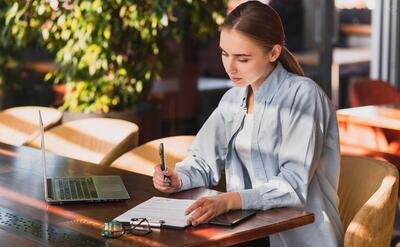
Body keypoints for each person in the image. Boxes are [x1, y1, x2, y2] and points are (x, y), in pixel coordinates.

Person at [153, 1, 344, 246]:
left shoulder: (303, 97)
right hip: (245, 232)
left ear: (273, 53)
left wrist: (229, 200)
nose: (229, 67)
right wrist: (177, 178)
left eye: (242, 58)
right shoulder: (233, 99)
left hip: (297, 238)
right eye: (224, 53)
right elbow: (202, 159)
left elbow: (291, 185)